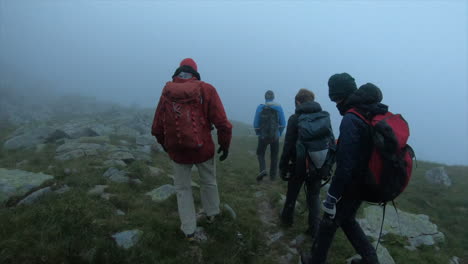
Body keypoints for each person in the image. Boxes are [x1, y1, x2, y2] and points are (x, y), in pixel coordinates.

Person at [301, 73, 385, 264]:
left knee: (329, 221)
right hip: (365, 181)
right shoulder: (368, 112)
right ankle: (370, 259)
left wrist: (332, 196)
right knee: (346, 220)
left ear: (344, 95)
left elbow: (346, 165)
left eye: (336, 98)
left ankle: (315, 260)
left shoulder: (351, 119)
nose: (335, 103)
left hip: (352, 184)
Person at [151, 58, 232, 241]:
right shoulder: (207, 89)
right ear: (195, 72)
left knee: (182, 189)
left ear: (179, 72)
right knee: (208, 181)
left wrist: (166, 145)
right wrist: (224, 146)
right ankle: (212, 213)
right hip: (203, 148)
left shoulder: (167, 91)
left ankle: (188, 229)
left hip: (178, 152)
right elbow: (223, 124)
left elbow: (156, 126)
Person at [279, 89, 335, 238]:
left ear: (298, 101)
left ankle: (286, 220)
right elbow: (331, 143)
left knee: (292, 193)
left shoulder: (295, 118)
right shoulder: (324, 117)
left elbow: (288, 146)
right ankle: (314, 229)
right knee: (314, 196)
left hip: (298, 165)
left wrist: (283, 166)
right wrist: (327, 166)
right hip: (318, 164)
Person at [253, 90, 286, 181]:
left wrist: (259, 133)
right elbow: (283, 123)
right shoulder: (279, 108)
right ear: (273, 97)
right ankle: (273, 177)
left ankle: (263, 169)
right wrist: (279, 133)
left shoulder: (260, 107)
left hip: (263, 136)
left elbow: (256, 123)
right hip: (275, 136)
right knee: (274, 156)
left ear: (265, 98)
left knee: (260, 153)